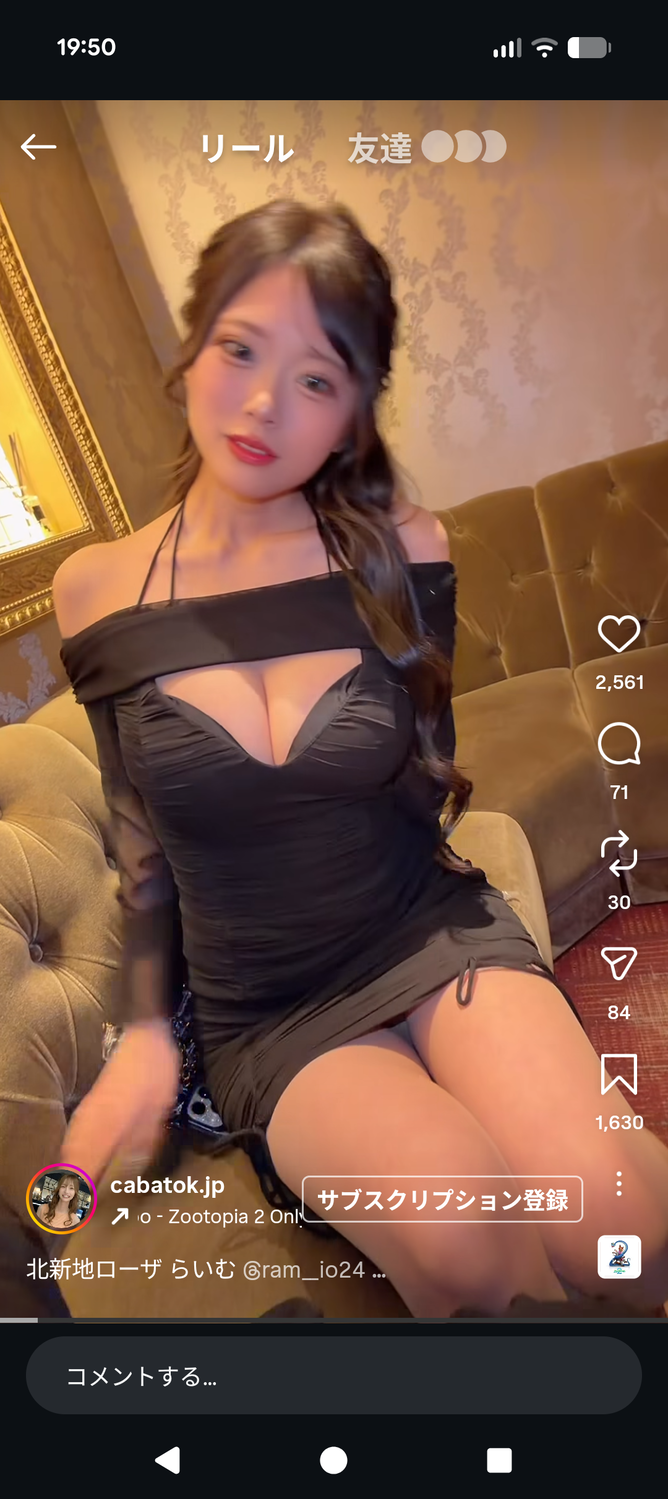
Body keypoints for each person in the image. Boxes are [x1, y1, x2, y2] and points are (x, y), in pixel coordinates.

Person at [54, 199, 668, 1317]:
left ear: (351, 412)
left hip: (425, 927)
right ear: (192, 347)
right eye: (240, 349)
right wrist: (145, 1032)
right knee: (466, 1239)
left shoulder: (406, 550)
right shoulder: (94, 589)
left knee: (616, 1225)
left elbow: (421, 772)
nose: (262, 404)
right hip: (273, 1008)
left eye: (316, 378)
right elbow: (142, 840)